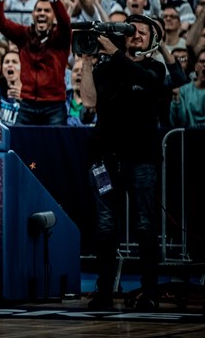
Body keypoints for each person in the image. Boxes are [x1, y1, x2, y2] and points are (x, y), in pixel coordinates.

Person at [81, 15, 167, 310]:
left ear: (153, 40)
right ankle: (104, 291)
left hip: (141, 159)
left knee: (144, 226)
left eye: (143, 31)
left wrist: (115, 54)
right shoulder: (106, 68)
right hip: (105, 159)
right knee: (105, 227)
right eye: (132, 30)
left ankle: (150, 292)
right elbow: (89, 101)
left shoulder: (154, 68)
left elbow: (148, 83)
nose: (137, 34)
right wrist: (87, 62)